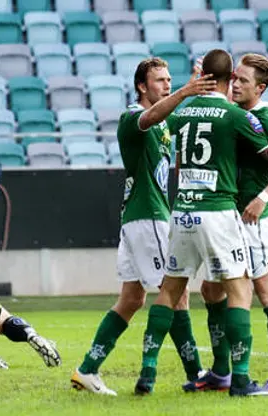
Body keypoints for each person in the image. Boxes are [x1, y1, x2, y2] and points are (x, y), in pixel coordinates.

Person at [70, 57, 218, 396]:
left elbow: (168, 115)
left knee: (132, 298)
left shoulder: (164, 123)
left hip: (139, 217)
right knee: (176, 292)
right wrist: (185, 90)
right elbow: (151, 116)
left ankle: (87, 370)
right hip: (148, 215)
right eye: (159, 81)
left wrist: (193, 84)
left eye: (169, 80)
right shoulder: (131, 117)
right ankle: (196, 371)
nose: (166, 84)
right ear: (141, 86)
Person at [133, 49, 268, 397]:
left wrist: (182, 94)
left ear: (203, 76)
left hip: (182, 212)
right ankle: (239, 377)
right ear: (228, 80)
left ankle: (147, 373)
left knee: (169, 291)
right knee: (240, 290)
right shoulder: (234, 114)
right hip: (219, 212)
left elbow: (150, 123)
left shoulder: (181, 111)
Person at [183, 53, 268, 396]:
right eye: (234, 78)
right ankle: (221, 371)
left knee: (267, 292)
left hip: (255, 220)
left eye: (244, 81)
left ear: (260, 88)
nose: (235, 84)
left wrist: (264, 198)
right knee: (211, 290)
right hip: (226, 218)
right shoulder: (230, 115)